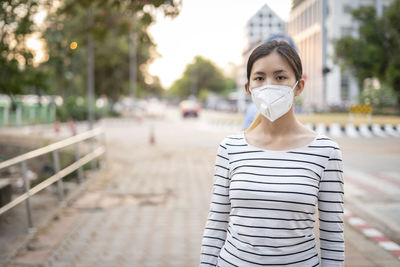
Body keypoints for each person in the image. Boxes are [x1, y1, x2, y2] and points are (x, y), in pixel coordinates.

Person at [200, 40, 344, 266]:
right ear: (248, 88)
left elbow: (332, 236)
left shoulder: (326, 152)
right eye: (259, 78)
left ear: (298, 86)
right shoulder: (230, 148)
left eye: (280, 77)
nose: (269, 86)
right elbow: (216, 223)